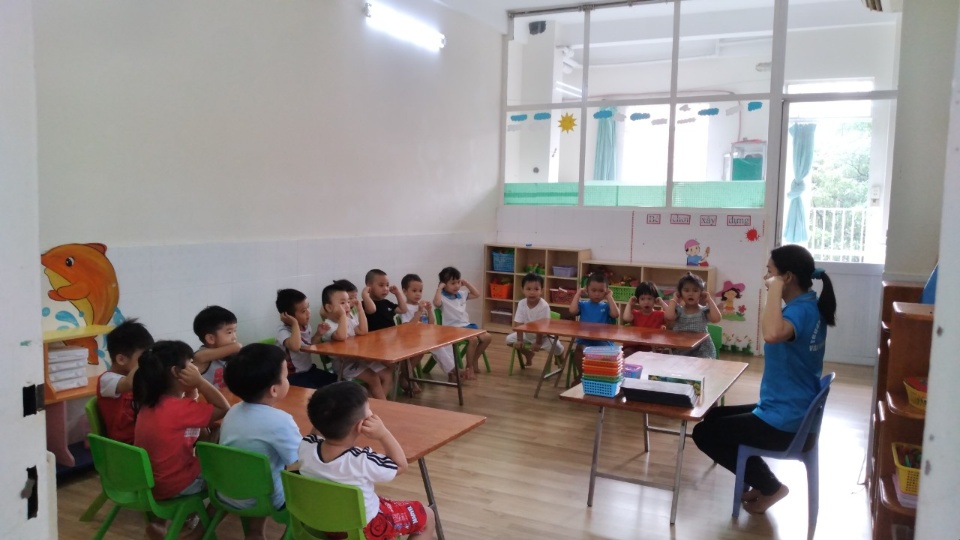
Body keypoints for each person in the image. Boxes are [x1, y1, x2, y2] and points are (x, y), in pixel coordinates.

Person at [692, 245, 836, 515]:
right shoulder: (808, 306)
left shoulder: (800, 312)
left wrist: (775, 289)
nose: (765, 277)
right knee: (712, 417)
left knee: (704, 433)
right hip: (790, 410)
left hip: (786, 424)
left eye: (770, 272)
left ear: (787, 277)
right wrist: (777, 287)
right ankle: (760, 480)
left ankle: (770, 486)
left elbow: (771, 334)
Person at [299, 382, 436, 540]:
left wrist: (322, 417)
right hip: (369, 527)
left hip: (325, 523)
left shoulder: (306, 446)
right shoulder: (362, 461)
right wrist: (384, 434)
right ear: (360, 425)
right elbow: (400, 465)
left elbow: (316, 431)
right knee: (427, 515)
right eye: (369, 410)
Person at [133, 340, 230, 539]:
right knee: (229, 484)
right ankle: (198, 534)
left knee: (198, 450)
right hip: (178, 484)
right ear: (177, 373)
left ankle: (161, 522)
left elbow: (192, 427)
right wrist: (200, 382)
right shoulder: (179, 410)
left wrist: (191, 392)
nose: (195, 369)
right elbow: (223, 408)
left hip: (152, 484)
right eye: (191, 365)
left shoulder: (149, 403)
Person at [220, 343, 300, 540]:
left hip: (226, 491)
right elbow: (298, 461)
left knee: (260, 470)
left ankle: (255, 532)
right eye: (286, 376)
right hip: (264, 499)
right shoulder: (281, 421)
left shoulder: (233, 411)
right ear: (274, 390)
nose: (288, 380)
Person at [320, 282, 392, 400]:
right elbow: (341, 336)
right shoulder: (328, 325)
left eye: (348, 302)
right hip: (345, 365)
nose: (347, 306)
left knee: (387, 374)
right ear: (329, 307)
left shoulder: (348, 318)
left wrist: (360, 310)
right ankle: (381, 405)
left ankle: (377, 402)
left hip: (359, 358)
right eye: (342, 303)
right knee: (374, 378)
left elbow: (363, 331)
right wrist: (343, 316)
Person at [399, 274, 462, 386]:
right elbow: (408, 327)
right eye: (414, 291)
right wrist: (419, 312)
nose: (418, 294)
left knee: (445, 343)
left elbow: (431, 323)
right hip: (412, 339)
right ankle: (454, 370)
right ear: (404, 291)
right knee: (436, 346)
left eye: (420, 291)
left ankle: (452, 372)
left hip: (425, 337)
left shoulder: (420, 306)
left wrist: (429, 311)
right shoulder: (404, 308)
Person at [98, 318, 154, 444]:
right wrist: (145, 362)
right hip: (126, 444)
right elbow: (128, 383)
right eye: (142, 357)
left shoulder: (136, 376)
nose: (148, 362)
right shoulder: (106, 380)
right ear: (121, 359)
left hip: (142, 435)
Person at [433, 267, 491, 380]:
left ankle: (474, 360)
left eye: (458, 282)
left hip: (466, 326)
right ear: (444, 284)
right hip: (453, 329)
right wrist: (439, 289)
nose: (456, 286)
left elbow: (477, 294)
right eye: (452, 283)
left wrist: (467, 283)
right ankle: (469, 367)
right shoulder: (442, 297)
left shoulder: (461, 294)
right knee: (473, 339)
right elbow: (436, 303)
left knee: (487, 337)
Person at [275, 288, 337, 389]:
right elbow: (295, 347)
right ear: (288, 316)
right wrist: (294, 323)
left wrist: (318, 334)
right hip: (292, 376)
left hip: (308, 370)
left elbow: (307, 346)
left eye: (308, 307)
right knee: (313, 391)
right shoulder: (282, 331)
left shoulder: (305, 326)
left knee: (336, 381)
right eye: (303, 311)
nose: (308, 312)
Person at [568, 272, 621, 382]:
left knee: (605, 354)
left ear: (606, 291)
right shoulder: (583, 304)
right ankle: (582, 375)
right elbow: (572, 311)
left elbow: (616, 314)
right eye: (593, 290)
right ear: (587, 290)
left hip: (603, 341)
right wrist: (578, 294)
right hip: (585, 340)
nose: (597, 294)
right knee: (579, 350)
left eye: (601, 291)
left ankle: (599, 377)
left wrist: (609, 297)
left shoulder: (606, 306)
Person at [505, 273, 563, 367]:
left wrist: (538, 342)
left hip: (544, 336)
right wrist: (520, 340)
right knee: (509, 340)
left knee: (557, 347)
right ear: (522, 290)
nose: (532, 292)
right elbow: (519, 323)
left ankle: (560, 356)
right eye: (528, 289)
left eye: (536, 289)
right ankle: (528, 354)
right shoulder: (521, 303)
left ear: (542, 291)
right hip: (527, 334)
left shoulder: (544, 306)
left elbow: (542, 327)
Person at [660, 273, 721, 358]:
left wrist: (709, 300)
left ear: (701, 294)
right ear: (680, 294)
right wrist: (674, 299)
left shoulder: (703, 311)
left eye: (695, 290)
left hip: (702, 349)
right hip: (682, 348)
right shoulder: (679, 311)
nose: (691, 294)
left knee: (701, 363)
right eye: (686, 290)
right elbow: (669, 316)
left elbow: (716, 319)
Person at [192, 305, 241, 389]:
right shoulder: (201, 356)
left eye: (235, 331)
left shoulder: (229, 354)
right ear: (211, 338)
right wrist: (237, 346)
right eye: (229, 332)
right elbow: (237, 347)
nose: (234, 337)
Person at [621, 282, 666, 357]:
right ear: (638, 300)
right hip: (635, 346)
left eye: (649, 298)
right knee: (626, 353)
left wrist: (662, 303)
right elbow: (626, 318)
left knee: (658, 356)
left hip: (652, 348)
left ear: (655, 300)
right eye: (642, 299)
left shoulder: (660, 314)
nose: (646, 302)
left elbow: (671, 316)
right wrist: (629, 304)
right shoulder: (635, 313)